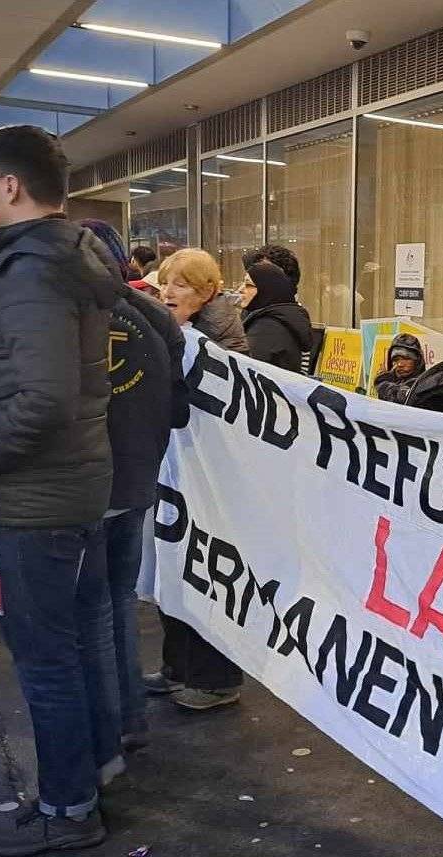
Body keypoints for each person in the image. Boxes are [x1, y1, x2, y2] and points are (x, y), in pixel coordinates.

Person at [0, 125, 123, 857]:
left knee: (44, 654)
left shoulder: (30, 270)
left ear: (9, 186)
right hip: (71, 483)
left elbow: (45, 396)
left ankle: (68, 806)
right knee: (73, 642)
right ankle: (88, 778)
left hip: (36, 492)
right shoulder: (68, 258)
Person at [81, 219, 186, 744]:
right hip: (139, 477)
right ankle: (129, 718)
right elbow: (178, 407)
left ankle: (109, 727)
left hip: (85, 483)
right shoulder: (155, 315)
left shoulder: (69, 315)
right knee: (118, 598)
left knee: (91, 608)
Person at [146, 246, 250, 713]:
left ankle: (214, 678)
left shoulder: (221, 344)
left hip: (211, 479)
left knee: (204, 572)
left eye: (182, 284)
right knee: (174, 563)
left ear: (207, 292)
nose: (168, 291)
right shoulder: (176, 331)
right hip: (177, 469)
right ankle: (179, 667)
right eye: (166, 281)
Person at [157, 247, 249, 355]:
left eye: (180, 285)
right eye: (164, 283)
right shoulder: (155, 322)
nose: (167, 293)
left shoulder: (218, 330)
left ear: (206, 292)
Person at [240, 258, 312, 374]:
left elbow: (247, 372)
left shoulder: (266, 328)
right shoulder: (285, 318)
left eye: (249, 285)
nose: (241, 289)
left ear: (266, 289)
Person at [372, 333, 426, 404]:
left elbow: (399, 396)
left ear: (417, 361)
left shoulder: (423, 383)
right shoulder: (392, 379)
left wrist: (382, 381)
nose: (400, 364)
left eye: (406, 358)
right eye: (396, 359)